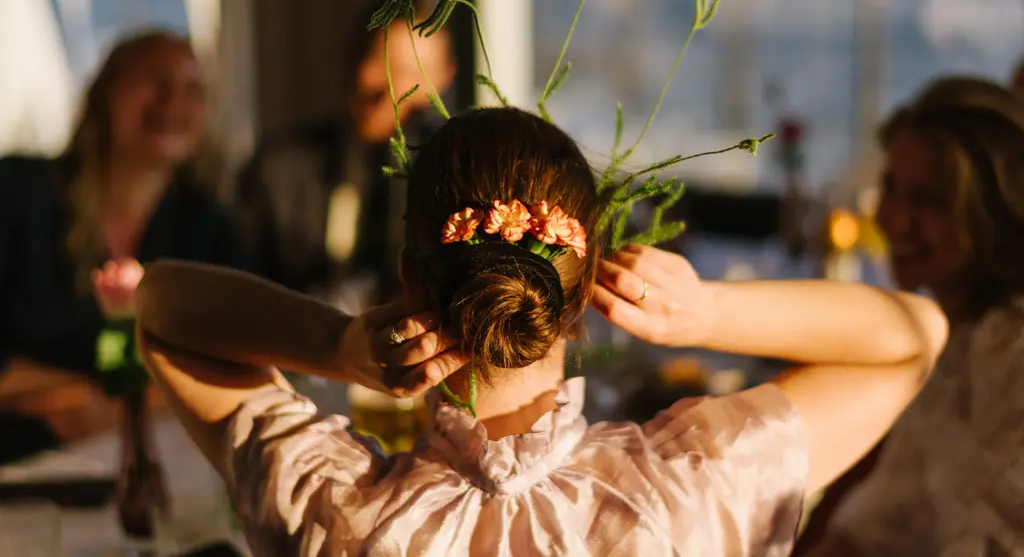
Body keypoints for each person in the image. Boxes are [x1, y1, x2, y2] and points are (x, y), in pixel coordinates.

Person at [137, 106, 946, 556]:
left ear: (411, 277)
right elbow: (915, 337)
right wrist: (709, 312)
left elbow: (162, 309)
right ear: (584, 287)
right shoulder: (699, 488)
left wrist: (339, 346)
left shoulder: (332, 508)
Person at [796, 76, 1024, 556]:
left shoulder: (1011, 351)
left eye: (930, 201)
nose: (893, 219)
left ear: (993, 212)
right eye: (891, 189)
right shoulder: (953, 333)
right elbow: (879, 523)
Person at [0, 30, 248, 463]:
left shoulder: (207, 225)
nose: (173, 101)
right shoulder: (19, 193)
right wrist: (75, 395)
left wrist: (109, 410)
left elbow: (239, 363)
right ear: (105, 96)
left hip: (153, 460)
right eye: (156, 81)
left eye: (192, 89)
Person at [238, 0, 456, 304]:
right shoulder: (279, 170)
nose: (392, 91)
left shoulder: (453, 176)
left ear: (443, 78)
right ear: (352, 60)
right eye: (383, 65)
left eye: (411, 74)